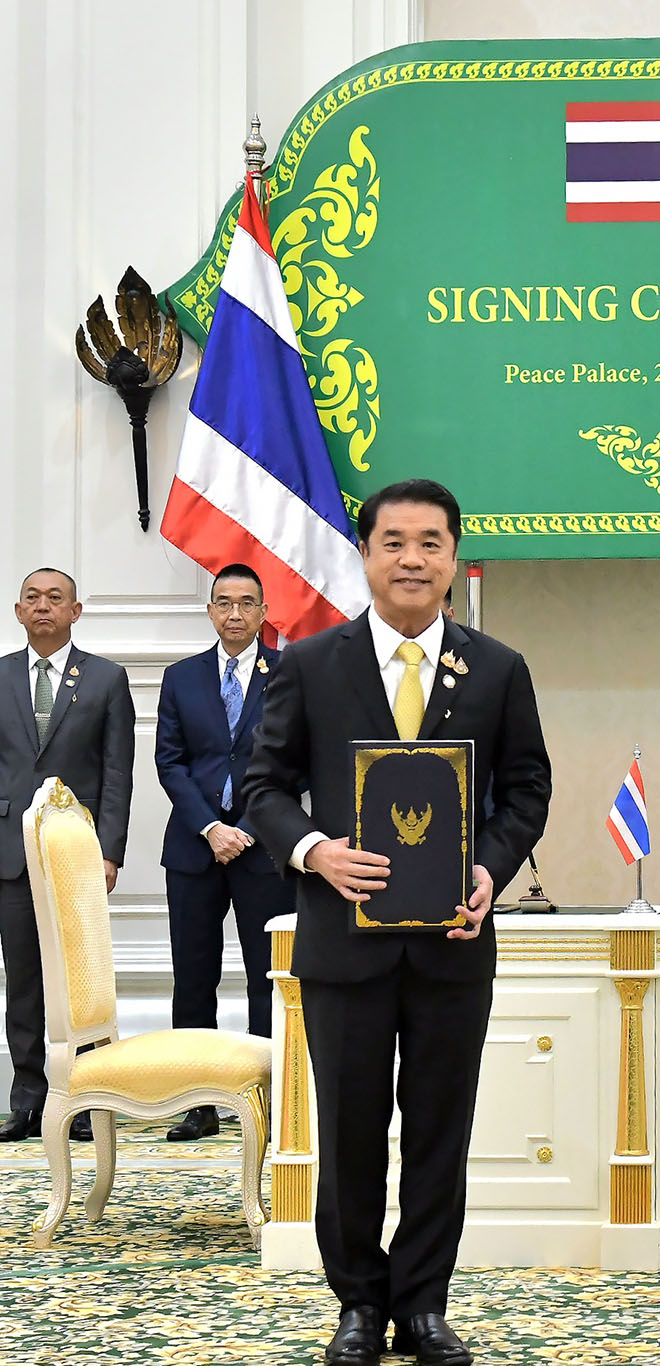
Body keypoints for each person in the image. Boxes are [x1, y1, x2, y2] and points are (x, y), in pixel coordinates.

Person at [242, 480, 550, 1366]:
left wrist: (490, 868)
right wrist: (315, 852)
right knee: (347, 1135)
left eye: (430, 543)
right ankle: (357, 1304)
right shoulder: (309, 663)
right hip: (343, 947)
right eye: (394, 542)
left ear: (454, 557)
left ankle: (423, 1306)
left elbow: (527, 788)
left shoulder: (498, 668)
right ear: (366, 554)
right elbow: (263, 787)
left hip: (453, 945)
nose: (412, 559)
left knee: (440, 1134)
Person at [154, 564, 294, 1141]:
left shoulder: (289, 674)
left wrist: (252, 828)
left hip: (265, 851)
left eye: (246, 603)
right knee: (194, 977)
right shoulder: (181, 677)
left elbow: (296, 762)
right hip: (195, 850)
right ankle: (200, 1102)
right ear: (210, 610)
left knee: (268, 976)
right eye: (224, 602)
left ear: (264, 612)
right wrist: (212, 827)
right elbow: (170, 762)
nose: (234, 613)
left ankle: (267, 1101)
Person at [0, 568, 134, 1145]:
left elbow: (117, 773)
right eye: (33, 598)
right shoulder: (1, 675)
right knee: (24, 980)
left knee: (78, 981)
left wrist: (109, 853)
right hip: (11, 853)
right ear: (18, 611)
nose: (43, 606)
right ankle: (29, 1100)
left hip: (79, 856)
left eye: (56, 598)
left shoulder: (105, 678)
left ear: (75, 611)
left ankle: (81, 1101)